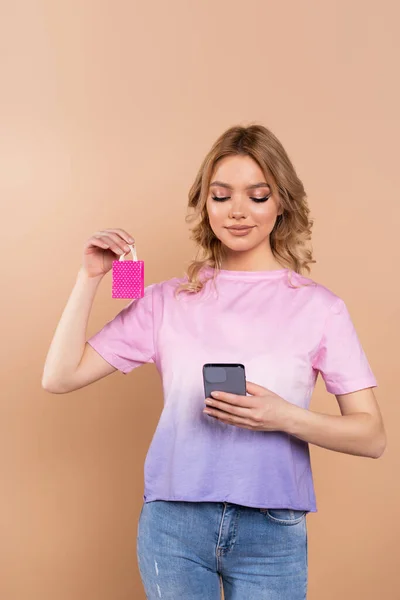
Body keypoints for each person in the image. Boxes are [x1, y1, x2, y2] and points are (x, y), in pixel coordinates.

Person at [42, 124, 386, 600]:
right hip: (174, 524)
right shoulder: (168, 300)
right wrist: (90, 277)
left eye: (258, 195)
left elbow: (372, 436)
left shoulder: (320, 308)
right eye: (221, 196)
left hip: (273, 528)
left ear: (282, 202)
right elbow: (59, 376)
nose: (238, 211)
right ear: (204, 203)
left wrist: (283, 417)